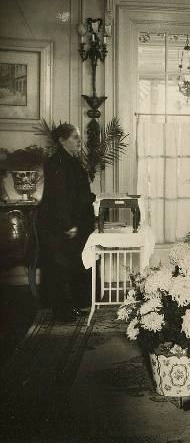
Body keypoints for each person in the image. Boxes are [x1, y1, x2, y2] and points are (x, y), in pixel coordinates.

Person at [38, 123, 95, 321]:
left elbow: (76, 192)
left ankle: (71, 306)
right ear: (62, 140)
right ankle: (62, 311)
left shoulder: (70, 160)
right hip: (60, 224)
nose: (80, 141)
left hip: (72, 222)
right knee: (59, 268)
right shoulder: (57, 162)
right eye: (75, 137)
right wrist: (67, 224)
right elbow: (58, 197)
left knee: (71, 265)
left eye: (79, 137)